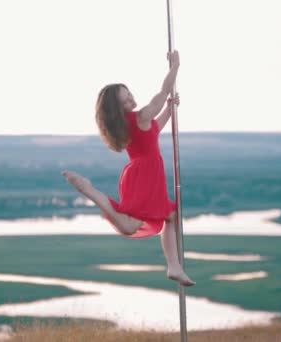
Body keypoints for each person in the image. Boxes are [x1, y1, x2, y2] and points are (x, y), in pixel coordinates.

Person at [62, 50, 195, 287]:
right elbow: (162, 93)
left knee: (169, 216)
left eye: (130, 94)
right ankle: (90, 190)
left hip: (141, 174)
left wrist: (170, 109)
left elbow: (155, 128)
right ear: (118, 106)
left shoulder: (132, 123)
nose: (131, 99)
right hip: (145, 175)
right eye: (125, 99)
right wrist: (175, 67)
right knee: (131, 224)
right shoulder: (140, 116)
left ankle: (174, 266)